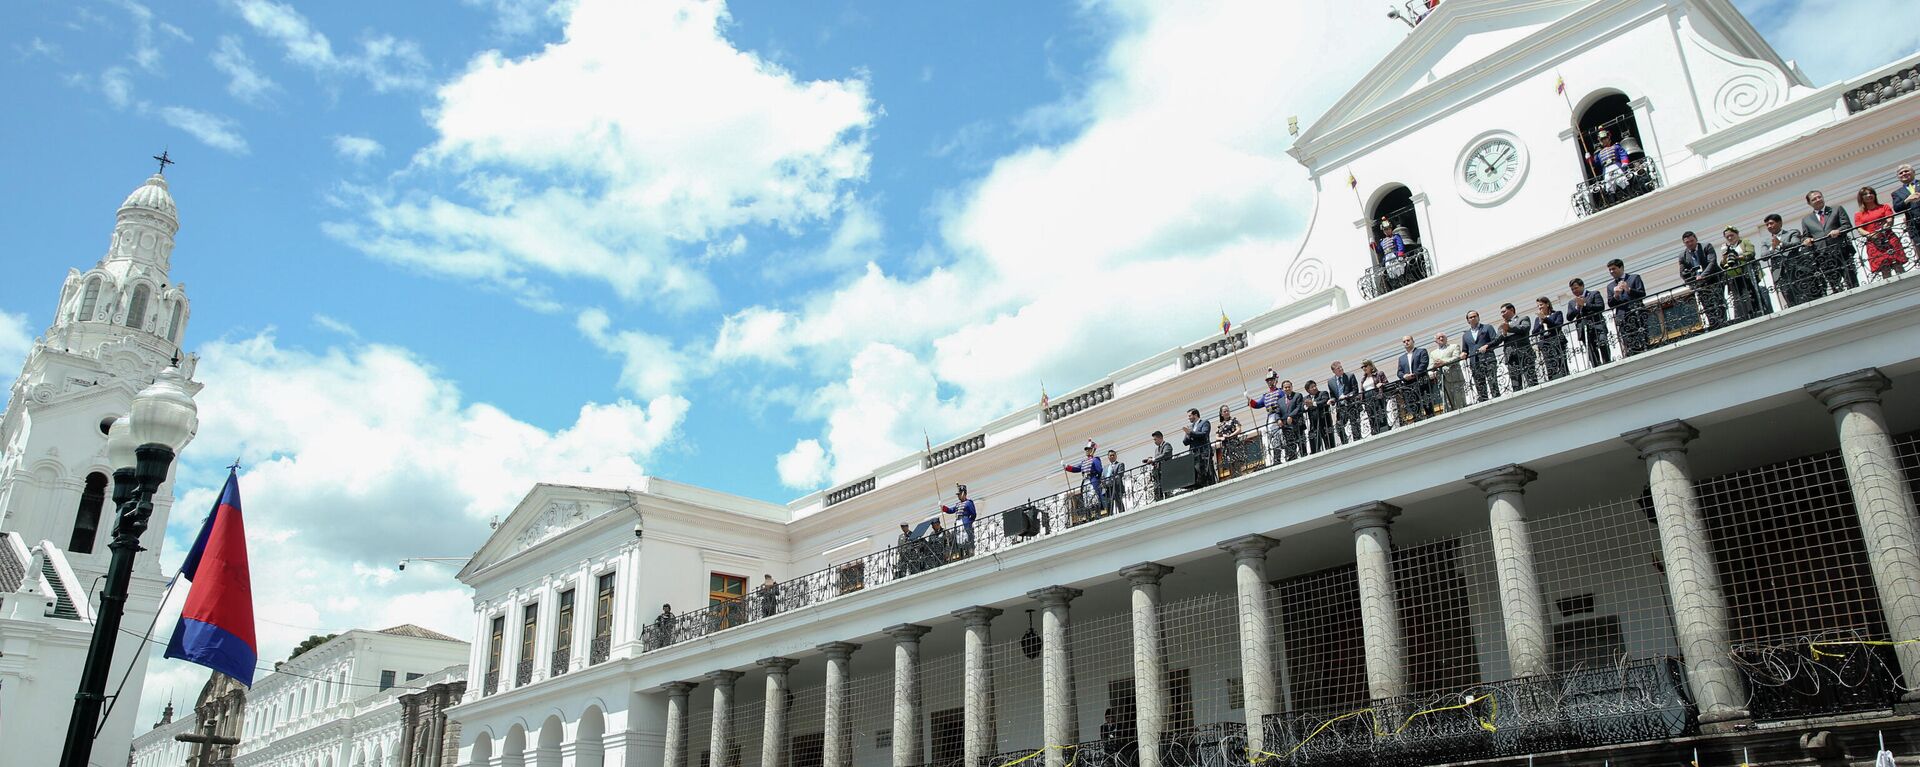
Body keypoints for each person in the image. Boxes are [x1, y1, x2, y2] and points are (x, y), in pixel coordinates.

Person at [1801, 190, 1858, 293]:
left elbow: (1847, 225)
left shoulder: (1836, 209)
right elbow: (1805, 237)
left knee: (1851, 281)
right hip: (1823, 256)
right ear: (1809, 203)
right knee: (1835, 286)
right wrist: (1806, 240)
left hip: (1842, 251)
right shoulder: (1806, 220)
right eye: (1814, 199)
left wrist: (1838, 231)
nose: (1818, 200)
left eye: (1819, 197)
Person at [1761, 213, 1817, 307]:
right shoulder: (1766, 241)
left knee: (1805, 297)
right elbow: (1763, 256)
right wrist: (1772, 248)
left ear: (1780, 223)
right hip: (1780, 274)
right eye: (1767, 225)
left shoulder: (1792, 233)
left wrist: (1781, 244)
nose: (1769, 226)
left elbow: (1796, 244)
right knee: (1790, 299)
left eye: (1771, 223)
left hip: (1797, 270)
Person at [1856, 186, 1910, 279]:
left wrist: (1884, 227)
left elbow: (1890, 220)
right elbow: (1859, 229)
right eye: (1865, 194)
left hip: (1889, 239)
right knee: (1884, 269)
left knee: (1898, 265)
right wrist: (1871, 235)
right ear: (1861, 198)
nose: (1869, 195)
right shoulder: (1859, 214)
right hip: (1874, 243)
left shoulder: (1884, 207)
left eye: (1871, 193)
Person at [1720, 226, 1770, 322]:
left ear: (1737, 234)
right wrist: (1725, 257)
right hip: (1735, 276)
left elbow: (1751, 253)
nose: (1730, 238)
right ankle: (1744, 315)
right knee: (1739, 297)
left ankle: (1758, 310)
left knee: (1752, 293)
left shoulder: (1745, 242)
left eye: (1731, 235)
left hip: (1748, 273)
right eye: (1727, 237)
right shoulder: (1727, 248)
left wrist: (1738, 257)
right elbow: (1722, 264)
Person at [1678, 231, 1726, 330]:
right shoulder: (1683, 255)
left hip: (1714, 279)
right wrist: (1691, 281)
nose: (1690, 244)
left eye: (1692, 241)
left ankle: (1723, 322)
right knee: (1706, 305)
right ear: (1684, 243)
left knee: (1719, 302)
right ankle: (1714, 325)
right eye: (1687, 242)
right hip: (1699, 285)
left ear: (1696, 239)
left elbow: (1712, 262)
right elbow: (1682, 273)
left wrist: (1703, 275)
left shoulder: (1706, 247)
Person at [1565, 277, 1612, 368]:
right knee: (1591, 349)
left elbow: (1600, 307)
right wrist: (1577, 308)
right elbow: (1569, 317)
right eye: (1572, 289)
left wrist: (1585, 304)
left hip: (1597, 324)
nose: (1574, 291)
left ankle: (1607, 362)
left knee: (1602, 342)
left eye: (1576, 288)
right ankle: (1596, 366)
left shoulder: (1594, 294)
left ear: (1582, 286)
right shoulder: (1572, 302)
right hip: (1583, 328)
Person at [1606, 259, 1649, 355]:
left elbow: (1642, 294)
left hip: (1637, 313)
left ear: (1621, 267)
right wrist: (1616, 295)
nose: (1611, 271)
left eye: (1614, 269)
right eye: (1610, 270)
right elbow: (1610, 304)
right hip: (1622, 317)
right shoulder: (1610, 286)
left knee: (1643, 339)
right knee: (1628, 342)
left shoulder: (1634, 278)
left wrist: (1628, 289)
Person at [1248, 370, 1289, 464]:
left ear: (1275, 380)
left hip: (1280, 416)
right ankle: (1277, 459)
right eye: (1268, 380)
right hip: (1271, 417)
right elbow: (1258, 404)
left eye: (1271, 380)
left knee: (1283, 436)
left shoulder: (1280, 392)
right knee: (1274, 438)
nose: (1270, 382)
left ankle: (1288, 455)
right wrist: (1249, 399)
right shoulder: (1265, 396)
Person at [1497, 302, 1536, 391]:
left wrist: (1509, 328)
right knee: (1516, 385)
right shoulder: (1502, 327)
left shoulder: (1523, 318)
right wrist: (1487, 345)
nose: (1502, 314)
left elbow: (1524, 328)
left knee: (1532, 380)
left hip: (1525, 354)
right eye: (1501, 313)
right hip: (1511, 357)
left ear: (1511, 310)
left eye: (1504, 311)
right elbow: (1497, 340)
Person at [1461, 313, 1499, 403]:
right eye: (1471, 317)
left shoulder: (1487, 327)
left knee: (1492, 380)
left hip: (1488, 359)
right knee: (1479, 383)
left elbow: (1496, 340)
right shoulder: (1466, 335)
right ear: (1468, 320)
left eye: (1475, 316)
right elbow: (1465, 349)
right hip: (1475, 362)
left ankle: (1497, 398)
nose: (1473, 318)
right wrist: (1463, 354)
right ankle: (1484, 401)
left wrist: (1487, 345)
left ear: (1478, 317)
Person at [1531, 297, 1568, 381]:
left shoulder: (1557, 313)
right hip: (1545, 344)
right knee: (1549, 364)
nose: (1539, 307)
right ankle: (1552, 379)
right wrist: (1540, 322)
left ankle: (1565, 376)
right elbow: (1534, 332)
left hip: (1557, 341)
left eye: (1541, 304)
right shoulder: (1538, 319)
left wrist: (1546, 319)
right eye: (1538, 306)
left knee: (1561, 362)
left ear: (1547, 304)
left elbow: (1558, 326)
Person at [1063, 440, 1106, 511]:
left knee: (1093, 497)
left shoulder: (1095, 459)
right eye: (1086, 450)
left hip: (1093, 480)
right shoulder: (1083, 462)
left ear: (1092, 450)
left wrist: (1097, 478)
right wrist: (1067, 467)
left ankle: (1097, 509)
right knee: (1087, 498)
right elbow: (1076, 469)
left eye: (1088, 449)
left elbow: (1099, 470)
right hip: (1085, 482)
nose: (1087, 451)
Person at [1428, 332, 1467, 412]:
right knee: (1447, 403)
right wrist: (1433, 370)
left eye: (1443, 337)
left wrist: (1444, 362)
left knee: (1459, 401)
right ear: (1436, 341)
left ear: (1446, 338)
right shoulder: (1433, 353)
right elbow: (1430, 367)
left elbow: (1456, 358)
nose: (1441, 339)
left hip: (1455, 378)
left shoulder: (1454, 346)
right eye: (1439, 338)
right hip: (1442, 380)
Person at [1327, 361, 1362, 444]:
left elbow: (1355, 391)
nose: (1341, 369)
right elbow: (1332, 395)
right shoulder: (1331, 382)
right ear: (1334, 371)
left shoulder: (1350, 376)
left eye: (1341, 367)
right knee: (1339, 426)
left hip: (1351, 404)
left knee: (1354, 423)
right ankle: (1345, 442)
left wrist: (1346, 396)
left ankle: (1357, 441)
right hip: (1340, 407)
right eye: (1338, 368)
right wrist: (1332, 400)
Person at [939, 484, 977, 552]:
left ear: (963, 493)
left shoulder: (968, 503)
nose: (958, 496)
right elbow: (951, 510)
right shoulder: (957, 504)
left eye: (959, 494)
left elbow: (973, 514)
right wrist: (943, 507)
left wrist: (969, 521)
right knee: (959, 538)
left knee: (966, 537)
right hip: (958, 522)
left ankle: (969, 550)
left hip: (965, 522)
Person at [1181, 408, 1213, 486]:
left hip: (1203, 452)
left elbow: (1204, 434)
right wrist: (1189, 434)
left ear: (1195, 415)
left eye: (1190, 416)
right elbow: (1185, 442)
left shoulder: (1205, 423)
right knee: (1195, 472)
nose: (1188, 418)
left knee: (1204, 471)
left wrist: (1191, 433)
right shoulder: (1190, 427)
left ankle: (1206, 483)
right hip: (1193, 454)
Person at [1593, 129, 1632, 193]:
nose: (1604, 141)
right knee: (1608, 184)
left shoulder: (1616, 146)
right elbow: (1596, 163)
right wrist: (1590, 159)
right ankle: (1612, 199)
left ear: (1608, 138)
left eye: (1605, 139)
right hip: (1606, 169)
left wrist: (1625, 162)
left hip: (1615, 165)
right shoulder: (1599, 153)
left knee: (1622, 179)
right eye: (1602, 140)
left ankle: (1629, 193)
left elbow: (1622, 154)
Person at [1358, 360, 1391, 434]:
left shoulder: (1379, 374)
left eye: (1365, 366)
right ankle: (1375, 431)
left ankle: (1384, 429)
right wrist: (1361, 400)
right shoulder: (1363, 379)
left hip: (1377, 397)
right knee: (1371, 417)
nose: (1364, 368)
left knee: (1380, 414)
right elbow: (1362, 391)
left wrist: (1381, 384)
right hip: (1367, 400)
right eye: (1362, 367)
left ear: (1370, 366)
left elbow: (1387, 383)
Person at [1302, 379, 1334, 454]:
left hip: (1325, 422)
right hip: (1314, 424)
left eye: (1315, 386)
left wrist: (1313, 403)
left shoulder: (1323, 393)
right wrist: (1307, 406)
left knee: (1329, 443)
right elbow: (1302, 408)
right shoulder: (1305, 399)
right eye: (1312, 387)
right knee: (1314, 443)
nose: (1314, 388)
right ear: (1308, 390)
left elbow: (1324, 401)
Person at [1893, 164, 1919, 249]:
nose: (1904, 173)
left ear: (1913, 172)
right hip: (1915, 227)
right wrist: (1907, 200)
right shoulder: (1897, 193)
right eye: (1901, 173)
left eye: (1906, 171)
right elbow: (1896, 208)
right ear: (1898, 177)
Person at [1216, 404, 1247, 476]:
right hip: (1226, 447)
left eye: (1227, 411)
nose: (1226, 412)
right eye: (1224, 411)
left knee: (1237, 464)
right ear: (1221, 414)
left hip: (1235, 445)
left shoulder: (1234, 420)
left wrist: (1230, 435)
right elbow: (1217, 436)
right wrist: (1222, 438)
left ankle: (1239, 477)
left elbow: (1239, 429)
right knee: (1230, 466)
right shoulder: (1221, 425)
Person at [1144, 430, 1174, 501]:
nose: (1154, 441)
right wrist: (1151, 461)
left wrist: (1153, 459)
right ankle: (1159, 499)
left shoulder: (1167, 445)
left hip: (1165, 470)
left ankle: (1168, 498)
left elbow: (1165, 455)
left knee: (1167, 489)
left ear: (1160, 438)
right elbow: (1156, 459)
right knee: (1158, 490)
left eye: (1155, 439)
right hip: (1158, 472)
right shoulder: (1156, 449)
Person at [1102, 449, 1128, 515]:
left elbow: (1119, 475)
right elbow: (1102, 477)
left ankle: (1123, 515)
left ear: (1116, 456)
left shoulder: (1120, 464)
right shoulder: (1105, 467)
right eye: (1110, 455)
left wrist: (1110, 481)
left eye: (1113, 455)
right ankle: (1109, 516)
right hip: (1108, 489)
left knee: (1119, 503)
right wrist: (1104, 483)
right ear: (1108, 457)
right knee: (1109, 504)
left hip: (1116, 487)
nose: (1112, 456)